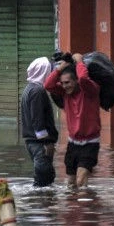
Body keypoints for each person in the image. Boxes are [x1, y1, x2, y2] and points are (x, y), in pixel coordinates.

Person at [44, 52, 101, 190]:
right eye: (62, 83)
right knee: (70, 185)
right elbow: (48, 85)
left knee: (81, 182)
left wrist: (79, 61)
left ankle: (85, 209)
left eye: (68, 82)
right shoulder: (64, 93)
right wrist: (62, 66)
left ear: (76, 81)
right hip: (72, 144)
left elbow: (83, 78)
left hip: (90, 144)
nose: (65, 86)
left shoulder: (90, 90)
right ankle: (75, 210)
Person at [19, 57, 58, 188]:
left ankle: (40, 205)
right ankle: (39, 206)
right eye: (50, 70)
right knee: (43, 182)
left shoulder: (29, 89)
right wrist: (46, 143)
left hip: (33, 143)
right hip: (39, 144)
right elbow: (37, 121)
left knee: (45, 179)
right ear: (44, 71)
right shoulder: (37, 91)